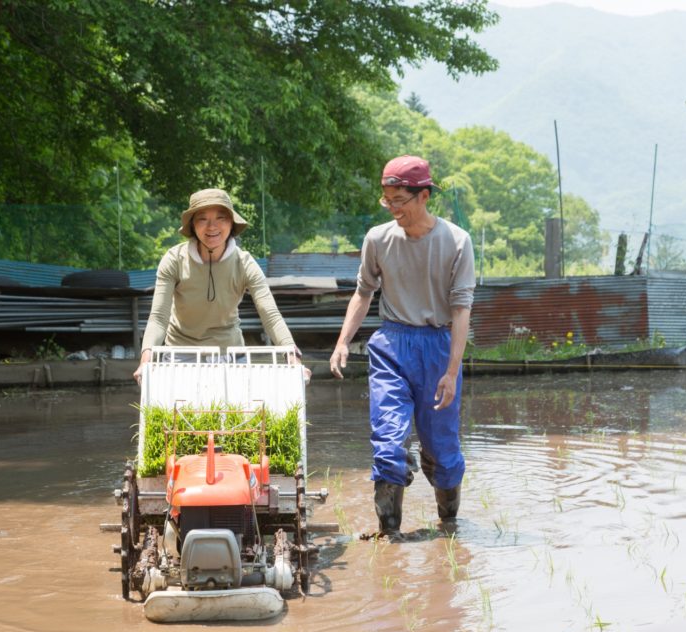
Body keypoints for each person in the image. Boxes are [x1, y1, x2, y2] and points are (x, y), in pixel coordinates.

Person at [330, 155, 476, 537]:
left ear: (424, 195)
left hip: (438, 346)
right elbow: (363, 293)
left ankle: (449, 527)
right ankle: (389, 536)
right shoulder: (378, 239)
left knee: (442, 449)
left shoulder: (457, 242)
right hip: (392, 345)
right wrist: (343, 341)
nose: (393, 208)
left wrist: (451, 371)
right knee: (388, 440)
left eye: (400, 200)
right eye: (387, 200)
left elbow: (461, 310)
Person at [134, 188, 306, 382]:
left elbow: (271, 316)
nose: (212, 227)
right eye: (202, 219)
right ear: (192, 225)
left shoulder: (245, 263)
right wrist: (146, 359)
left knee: (237, 411)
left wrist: (292, 356)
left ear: (231, 223)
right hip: (180, 354)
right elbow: (158, 317)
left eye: (221, 218)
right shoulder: (174, 260)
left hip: (230, 353)